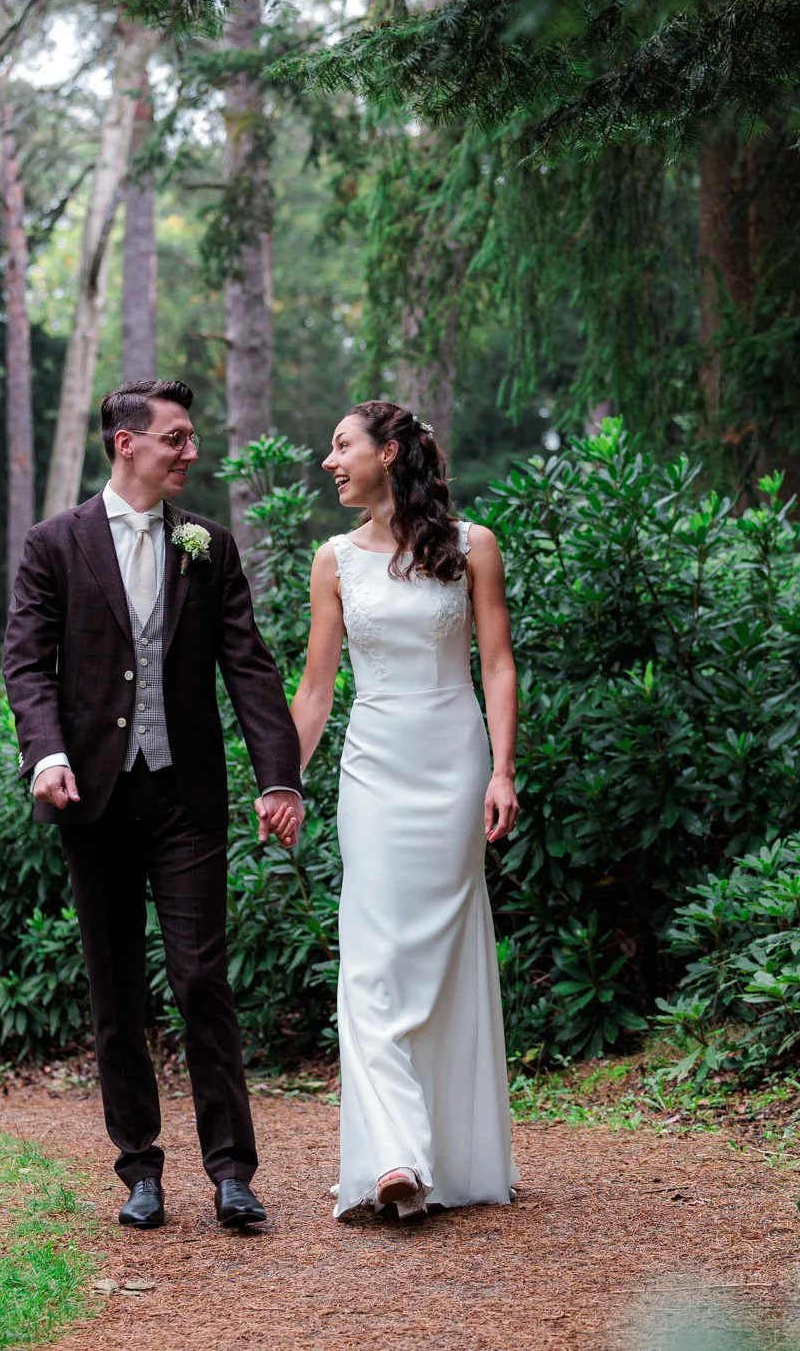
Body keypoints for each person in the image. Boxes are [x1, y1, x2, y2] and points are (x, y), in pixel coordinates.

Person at [3, 378, 307, 1233]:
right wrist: (46, 754)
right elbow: (25, 663)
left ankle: (232, 1171)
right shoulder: (53, 544)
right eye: (177, 437)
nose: (191, 452)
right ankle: (139, 1168)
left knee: (201, 977)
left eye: (191, 437)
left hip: (185, 797)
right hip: (94, 799)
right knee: (116, 990)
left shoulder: (210, 545)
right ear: (126, 443)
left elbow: (248, 665)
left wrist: (278, 776)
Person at [293, 400, 521, 1220]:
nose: (330, 460)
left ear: (388, 452)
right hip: (374, 770)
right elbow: (316, 690)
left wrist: (503, 770)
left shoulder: (473, 546)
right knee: (371, 956)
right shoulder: (333, 561)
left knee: (441, 955)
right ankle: (392, 1154)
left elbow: (497, 664)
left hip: (454, 764)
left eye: (341, 444)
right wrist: (282, 780)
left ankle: (448, 1154)